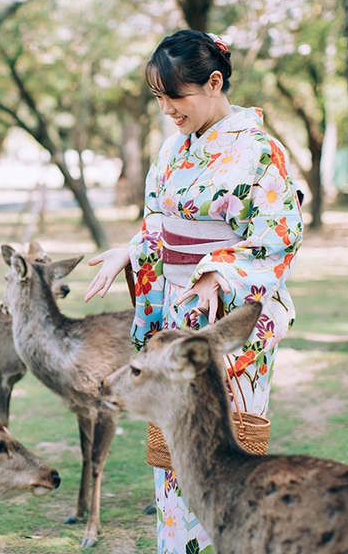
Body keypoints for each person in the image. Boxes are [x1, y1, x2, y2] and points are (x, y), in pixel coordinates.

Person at [85, 29, 303, 554]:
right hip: (177, 318)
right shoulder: (173, 149)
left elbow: (278, 236)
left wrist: (216, 273)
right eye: (159, 98)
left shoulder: (258, 151)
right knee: (175, 454)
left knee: (225, 452)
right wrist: (132, 251)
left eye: (175, 97)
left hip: (230, 324)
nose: (167, 110)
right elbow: (159, 226)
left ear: (213, 82)